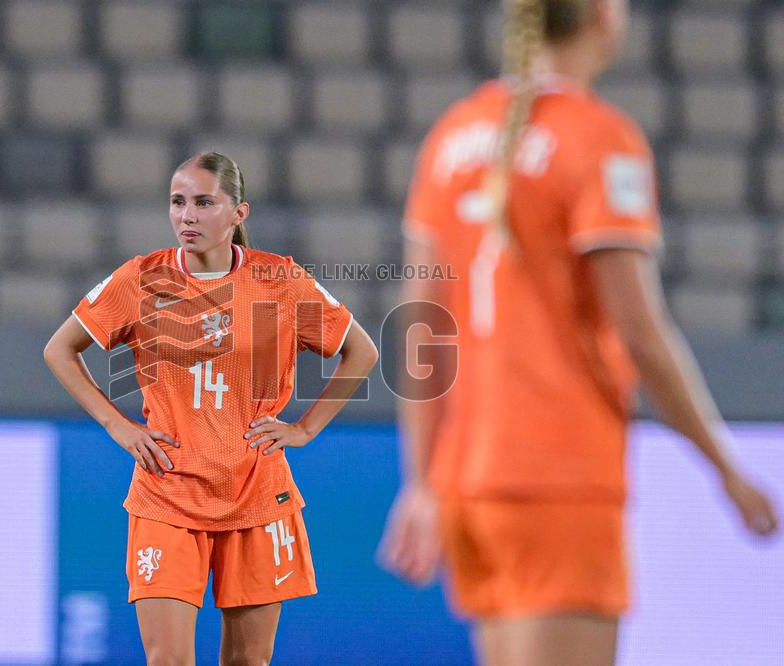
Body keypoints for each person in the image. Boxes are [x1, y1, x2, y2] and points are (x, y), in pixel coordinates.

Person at [378, 1, 779, 665]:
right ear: (602, 16)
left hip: (468, 488)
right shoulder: (600, 139)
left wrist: (420, 482)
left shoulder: (451, 137)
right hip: (559, 478)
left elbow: (420, 325)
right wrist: (725, 468)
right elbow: (641, 333)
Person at [44, 152, 378, 665]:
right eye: (178, 202)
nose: (187, 216)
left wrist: (306, 428)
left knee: (248, 662)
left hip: (257, 491)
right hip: (169, 490)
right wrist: (119, 425)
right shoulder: (141, 279)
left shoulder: (280, 281)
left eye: (204, 203)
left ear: (238, 213)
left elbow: (362, 350)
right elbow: (59, 349)